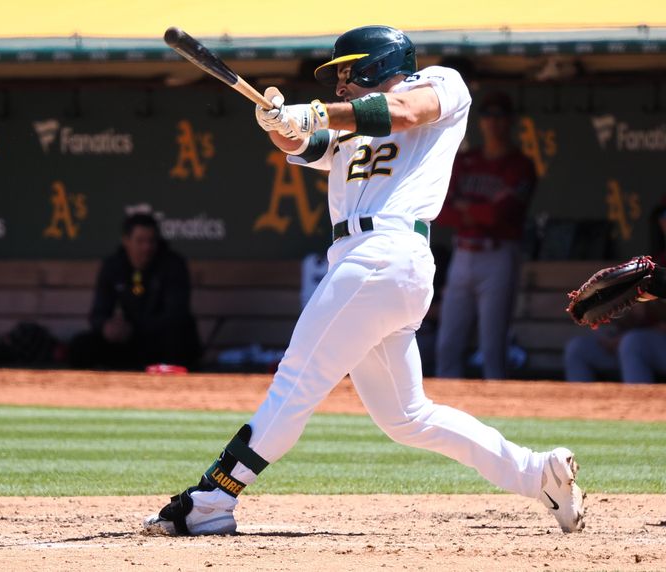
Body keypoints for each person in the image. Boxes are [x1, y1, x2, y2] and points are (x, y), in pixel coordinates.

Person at [143, 25, 585, 536]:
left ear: (378, 64)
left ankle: (211, 499)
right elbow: (303, 140)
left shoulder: (441, 83)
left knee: (296, 380)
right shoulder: (352, 128)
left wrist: (313, 112)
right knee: (407, 417)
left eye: (348, 73)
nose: (340, 85)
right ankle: (539, 474)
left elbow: (402, 112)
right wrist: (275, 119)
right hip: (371, 265)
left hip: (385, 252)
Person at [434, 90, 537, 380]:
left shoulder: (521, 165)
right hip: (463, 254)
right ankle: (444, 411)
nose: (494, 122)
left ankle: (497, 408)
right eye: (488, 116)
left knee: (493, 346)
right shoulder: (466, 161)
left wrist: (467, 209)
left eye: (500, 116)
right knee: (447, 344)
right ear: (480, 122)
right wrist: (478, 210)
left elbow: (500, 215)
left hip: (499, 255)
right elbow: (442, 212)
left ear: (510, 121)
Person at [68, 213, 201, 370]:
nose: (146, 247)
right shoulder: (113, 266)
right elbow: (98, 312)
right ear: (126, 241)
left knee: (177, 341)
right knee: (81, 346)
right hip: (128, 342)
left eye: (151, 241)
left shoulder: (172, 265)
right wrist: (107, 327)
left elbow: (175, 315)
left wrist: (135, 328)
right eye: (140, 241)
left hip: (160, 340)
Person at [564, 204, 666, 383]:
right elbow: (643, 312)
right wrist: (621, 324)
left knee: (633, 344)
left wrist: (624, 338)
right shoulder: (659, 259)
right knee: (578, 348)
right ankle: (582, 410)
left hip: (647, 343)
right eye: (663, 214)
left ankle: (640, 410)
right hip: (643, 341)